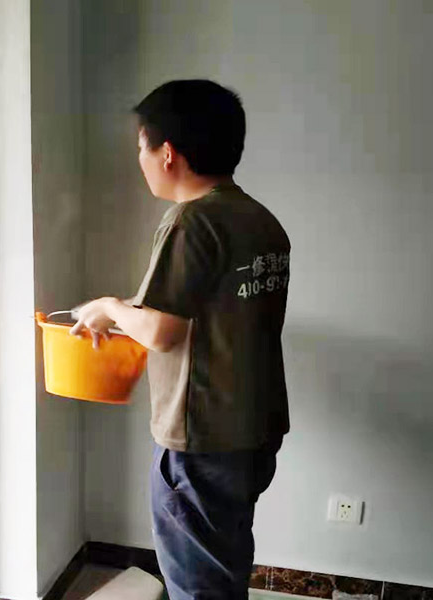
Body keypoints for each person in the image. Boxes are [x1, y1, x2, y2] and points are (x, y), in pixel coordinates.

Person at [70, 79, 291, 600]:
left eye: (141, 148)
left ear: (167, 153)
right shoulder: (260, 220)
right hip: (254, 427)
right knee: (224, 561)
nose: (140, 161)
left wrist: (108, 307)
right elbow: (210, 311)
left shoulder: (191, 221)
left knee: (197, 582)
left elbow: (163, 332)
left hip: (203, 436)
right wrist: (122, 310)